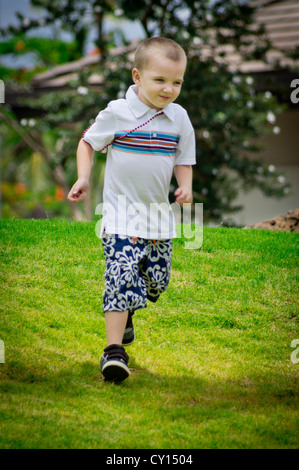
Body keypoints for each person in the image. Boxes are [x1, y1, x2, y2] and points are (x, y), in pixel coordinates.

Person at [68, 37, 196, 383]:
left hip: (159, 223)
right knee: (121, 276)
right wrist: (83, 177)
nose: (169, 89)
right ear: (137, 77)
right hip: (120, 217)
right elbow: (87, 142)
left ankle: (129, 311)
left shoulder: (179, 119)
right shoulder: (118, 113)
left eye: (177, 82)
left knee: (156, 282)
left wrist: (185, 186)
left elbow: (184, 159)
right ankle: (114, 352)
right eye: (160, 80)